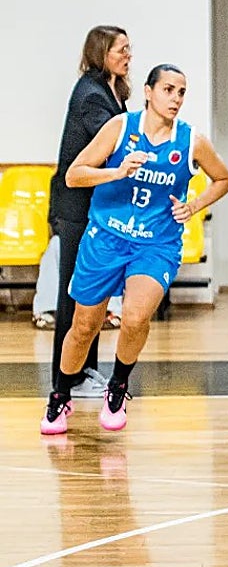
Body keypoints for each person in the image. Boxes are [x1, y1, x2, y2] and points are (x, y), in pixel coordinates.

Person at [40, 64, 228, 434]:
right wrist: (116, 172)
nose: (175, 98)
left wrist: (193, 206)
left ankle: (118, 386)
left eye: (181, 92)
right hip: (106, 237)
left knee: (135, 317)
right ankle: (61, 394)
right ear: (148, 91)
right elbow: (74, 175)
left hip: (156, 244)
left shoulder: (191, 140)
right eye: (168, 89)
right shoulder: (120, 128)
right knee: (84, 325)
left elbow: (223, 178)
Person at [47, 26, 131, 398]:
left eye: (129, 49)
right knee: (74, 293)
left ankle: (84, 368)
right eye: (121, 50)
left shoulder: (113, 90)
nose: (128, 55)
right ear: (102, 53)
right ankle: (66, 378)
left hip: (96, 207)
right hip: (76, 207)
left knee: (93, 292)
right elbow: (111, 145)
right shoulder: (92, 95)